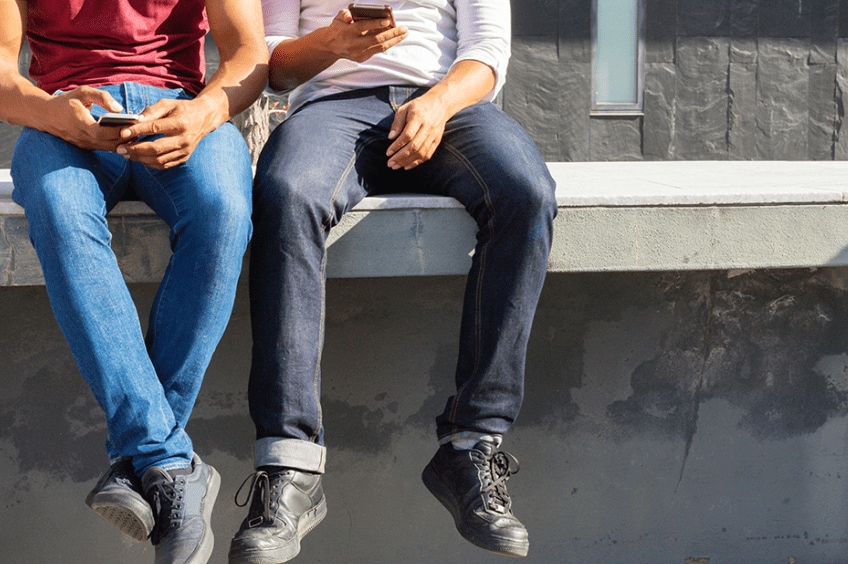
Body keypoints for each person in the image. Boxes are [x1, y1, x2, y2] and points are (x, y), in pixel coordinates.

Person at [227, 0, 557, 561]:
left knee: (526, 195)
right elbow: (272, 65)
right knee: (286, 195)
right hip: (332, 110)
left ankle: (470, 445)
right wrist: (329, 45)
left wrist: (437, 103)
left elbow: (487, 51)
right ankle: (289, 467)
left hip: (450, 105)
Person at [0, 0, 268, 562]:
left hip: (180, 109)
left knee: (223, 213)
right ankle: (168, 462)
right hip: (63, 115)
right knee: (59, 212)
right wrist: (49, 111)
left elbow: (248, 53)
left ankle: (143, 457)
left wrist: (203, 113)